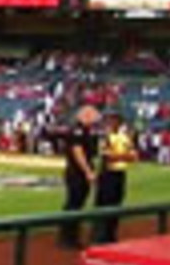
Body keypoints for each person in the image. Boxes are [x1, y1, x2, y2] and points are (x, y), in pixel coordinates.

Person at [92, 111, 137, 244]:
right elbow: (107, 157)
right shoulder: (105, 136)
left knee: (116, 205)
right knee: (103, 205)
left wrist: (121, 157)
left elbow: (133, 156)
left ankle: (111, 234)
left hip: (119, 173)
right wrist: (123, 156)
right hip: (107, 174)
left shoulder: (124, 137)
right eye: (111, 120)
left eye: (115, 120)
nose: (113, 123)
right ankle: (99, 236)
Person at [58, 105, 99, 248]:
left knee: (77, 204)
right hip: (76, 172)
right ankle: (67, 237)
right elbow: (78, 152)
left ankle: (72, 236)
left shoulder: (86, 131)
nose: (95, 119)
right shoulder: (77, 131)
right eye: (93, 116)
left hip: (79, 171)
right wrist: (87, 171)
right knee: (73, 204)